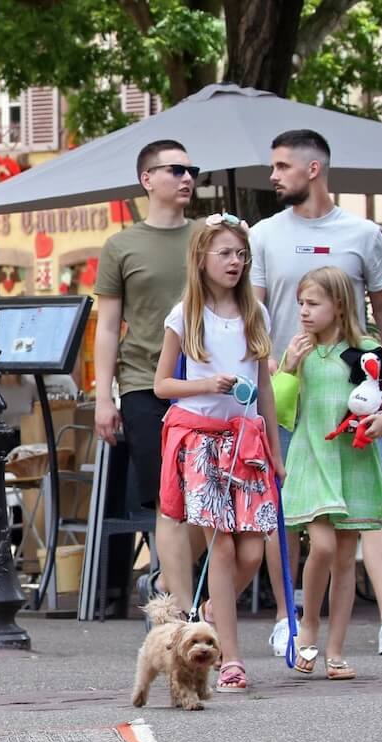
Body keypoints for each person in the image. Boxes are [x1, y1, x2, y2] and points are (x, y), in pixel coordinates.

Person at [250, 128, 382, 657]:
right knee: (290, 512)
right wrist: (264, 371)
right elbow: (254, 311)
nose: (273, 176)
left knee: (370, 499)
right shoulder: (264, 234)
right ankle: (287, 618)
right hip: (286, 386)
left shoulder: (362, 232)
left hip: (351, 390)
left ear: (313, 168)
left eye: (282, 166)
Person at [153, 213, 282, 694]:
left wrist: (274, 449)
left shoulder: (256, 313)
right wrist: (205, 384)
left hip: (245, 443)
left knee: (252, 548)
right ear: (201, 258)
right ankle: (232, 658)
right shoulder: (185, 314)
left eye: (241, 254)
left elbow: (264, 388)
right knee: (222, 546)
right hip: (201, 441)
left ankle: (211, 611)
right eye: (225, 253)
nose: (235, 262)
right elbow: (162, 385)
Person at [281, 267, 382, 679]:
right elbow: (281, 407)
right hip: (312, 456)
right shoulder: (301, 350)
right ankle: (308, 625)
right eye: (301, 304)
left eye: (313, 303)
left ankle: (335, 650)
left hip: (353, 461)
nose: (304, 312)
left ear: (339, 306)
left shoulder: (365, 349)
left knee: (344, 557)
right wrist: (288, 367)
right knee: (322, 547)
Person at [94, 139, 205, 613]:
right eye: (175, 170)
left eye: (192, 170)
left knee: (206, 501)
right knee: (168, 500)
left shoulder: (208, 236)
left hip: (206, 384)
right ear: (147, 179)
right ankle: (180, 610)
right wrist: (104, 397)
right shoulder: (121, 245)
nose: (187, 178)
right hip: (143, 383)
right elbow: (107, 326)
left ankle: (163, 578)